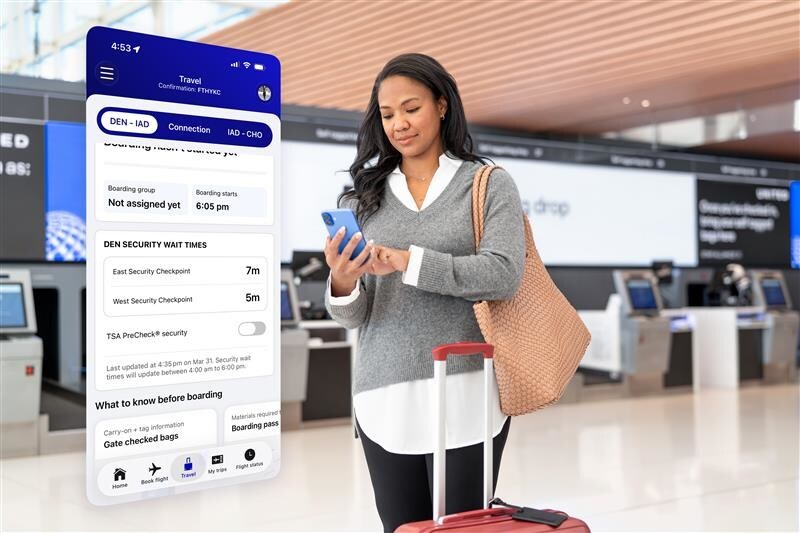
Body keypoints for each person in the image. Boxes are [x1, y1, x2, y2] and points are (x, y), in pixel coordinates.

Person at [323, 53, 526, 532]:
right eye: (387, 114)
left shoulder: (486, 184)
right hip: (383, 395)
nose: (399, 124)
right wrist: (344, 280)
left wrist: (406, 260)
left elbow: (502, 275)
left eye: (410, 109)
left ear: (441, 105)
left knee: (465, 528)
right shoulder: (361, 198)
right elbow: (355, 316)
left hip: (467, 387)